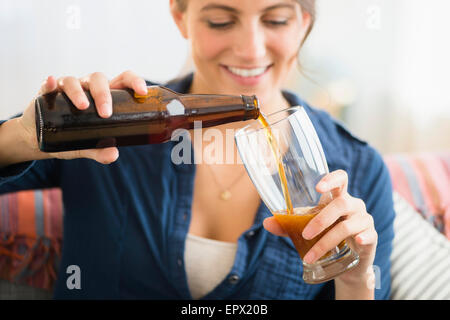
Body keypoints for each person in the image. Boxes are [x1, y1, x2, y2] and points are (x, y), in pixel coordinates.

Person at [0, 0, 394, 299]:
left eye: (276, 20)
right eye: (220, 21)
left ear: (303, 24)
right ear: (179, 15)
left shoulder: (357, 166)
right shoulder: (113, 120)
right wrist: (25, 134)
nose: (252, 50)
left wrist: (355, 279)